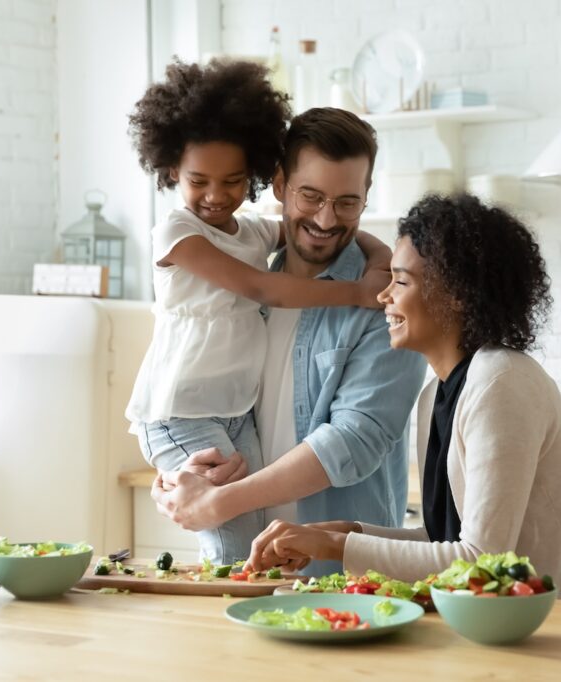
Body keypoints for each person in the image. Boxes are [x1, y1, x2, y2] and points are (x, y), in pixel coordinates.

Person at [244, 194, 561, 606]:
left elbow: (479, 562)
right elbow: (445, 543)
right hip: (512, 629)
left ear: (456, 292)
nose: (383, 296)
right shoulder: (436, 394)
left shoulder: (501, 382)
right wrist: (346, 533)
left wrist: (333, 545)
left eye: (400, 281)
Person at [124, 61, 393, 566]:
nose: (326, 218)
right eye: (310, 196)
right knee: (228, 549)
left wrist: (382, 261)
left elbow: (353, 441)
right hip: (185, 415)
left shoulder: (383, 303)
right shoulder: (209, 248)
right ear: (279, 184)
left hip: (334, 571)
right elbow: (260, 288)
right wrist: (180, 486)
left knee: (230, 534)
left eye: (347, 202)